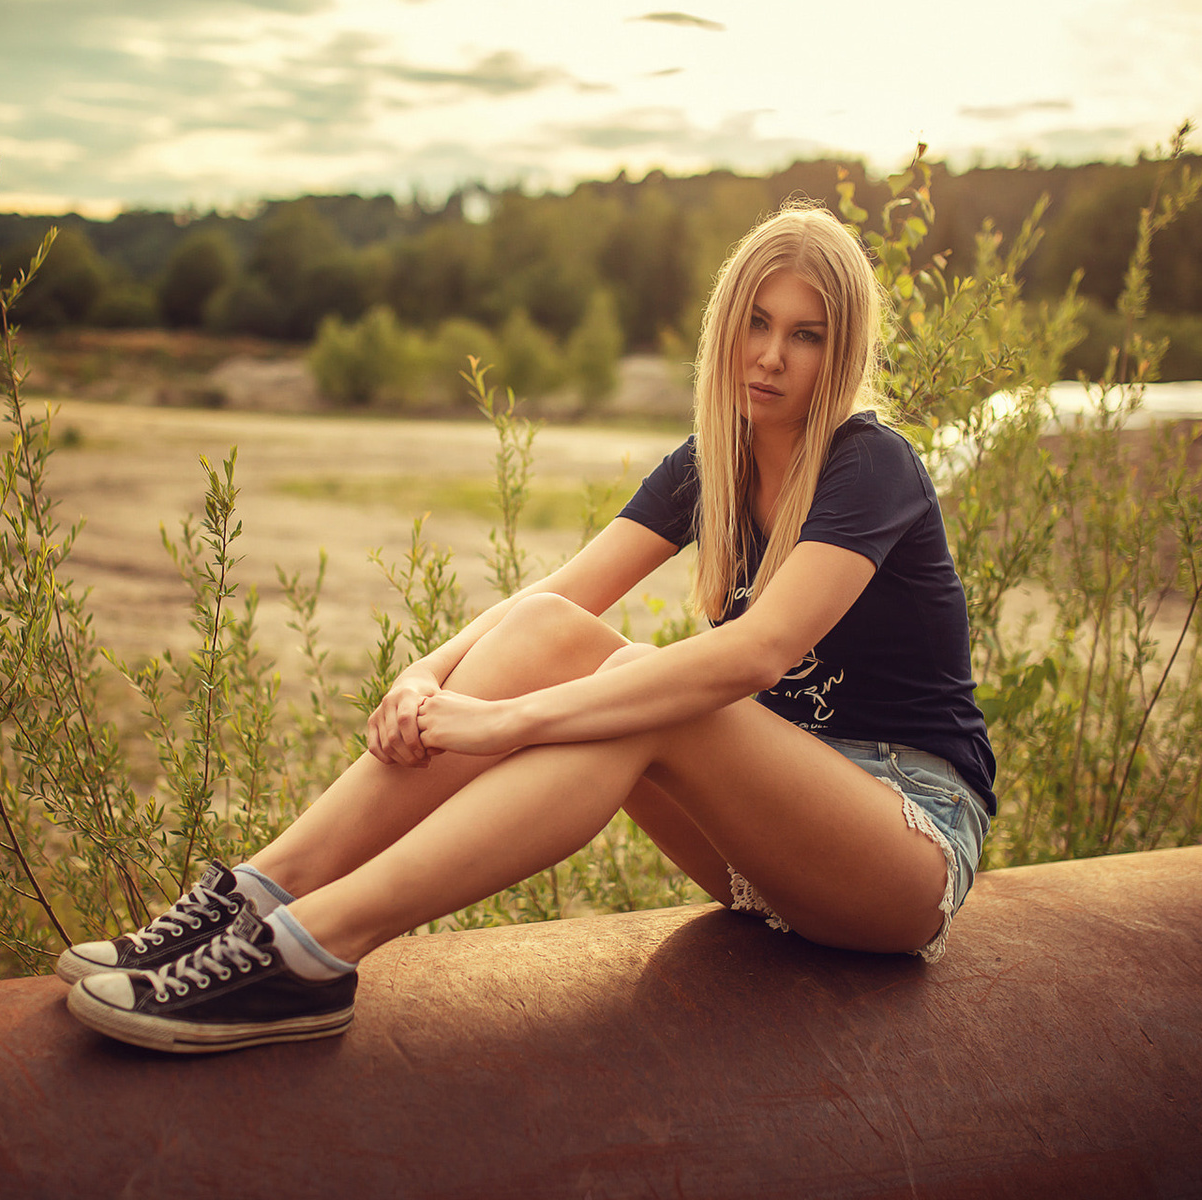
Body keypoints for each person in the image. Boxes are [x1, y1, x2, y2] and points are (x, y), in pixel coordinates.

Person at [61, 203, 996, 1054]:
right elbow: (554, 598)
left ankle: (310, 951)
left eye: (805, 335)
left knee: (648, 694)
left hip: (903, 838)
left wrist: (515, 723)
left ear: (842, 353)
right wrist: (423, 678)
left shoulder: (871, 464)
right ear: (725, 327)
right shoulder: (714, 460)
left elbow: (757, 651)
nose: (769, 356)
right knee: (558, 631)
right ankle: (263, 892)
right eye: (755, 323)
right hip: (769, 849)